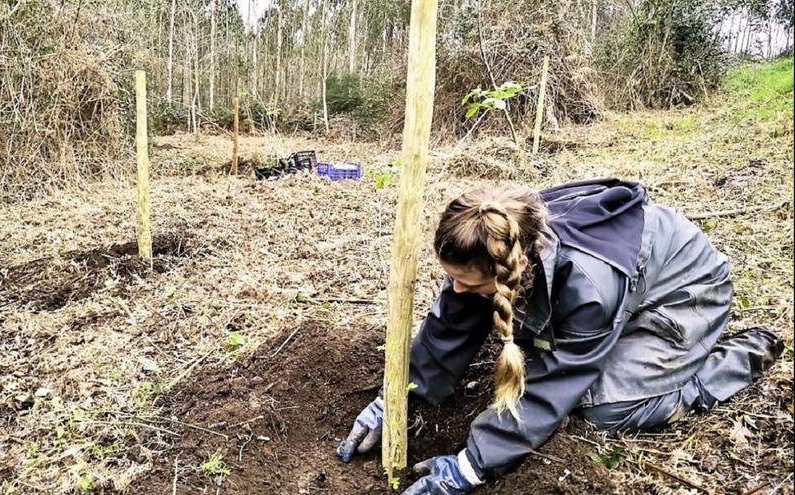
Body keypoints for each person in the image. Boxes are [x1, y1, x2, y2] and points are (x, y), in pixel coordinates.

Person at [336, 179, 784, 495]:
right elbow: (451, 322)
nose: (457, 290)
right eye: (451, 278)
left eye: (469, 284)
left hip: (685, 294)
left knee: (602, 408)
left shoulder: (588, 287)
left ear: (515, 269)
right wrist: (398, 398)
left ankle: (731, 359)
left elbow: (554, 386)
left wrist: (470, 467)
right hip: (625, 285)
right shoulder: (498, 239)